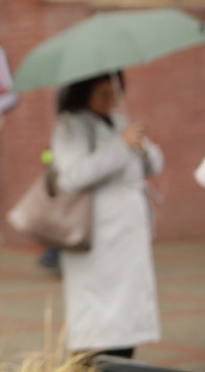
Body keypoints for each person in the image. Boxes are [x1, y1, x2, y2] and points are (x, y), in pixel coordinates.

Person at [51, 72, 164, 362]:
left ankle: (124, 361)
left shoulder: (119, 121)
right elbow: (73, 176)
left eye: (115, 93)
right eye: (103, 94)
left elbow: (153, 166)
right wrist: (120, 145)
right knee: (97, 321)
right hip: (96, 236)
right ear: (84, 92)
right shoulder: (70, 125)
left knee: (127, 317)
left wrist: (142, 147)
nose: (110, 101)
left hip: (128, 238)